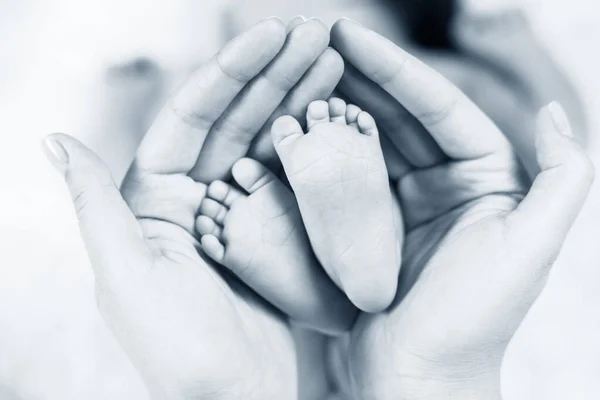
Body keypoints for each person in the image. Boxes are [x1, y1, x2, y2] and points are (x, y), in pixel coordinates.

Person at [43, 17, 593, 399]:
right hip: (372, 208)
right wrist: (524, 53)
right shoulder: (459, 74)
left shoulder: (453, 69)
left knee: (160, 206)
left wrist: (122, 107)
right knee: (169, 193)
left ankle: (335, 281)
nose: (307, 36)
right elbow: (560, 128)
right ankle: (346, 280)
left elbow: (141, 194)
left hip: (374, 198)